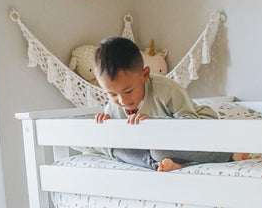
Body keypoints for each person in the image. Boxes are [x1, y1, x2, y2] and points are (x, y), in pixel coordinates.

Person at [93, 35, 248, 172]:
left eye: (128, 91)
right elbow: (119, 138)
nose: (122, 101)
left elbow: (191, 123)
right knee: (116, 149)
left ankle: (227, 154)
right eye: (112, 94)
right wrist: (108, 125)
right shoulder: (114, 106)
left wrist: (156, 125)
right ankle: (159, 164)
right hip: (159, 146)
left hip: (198, 129)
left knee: (159, 151)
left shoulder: (167, 90)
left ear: (145, 75)